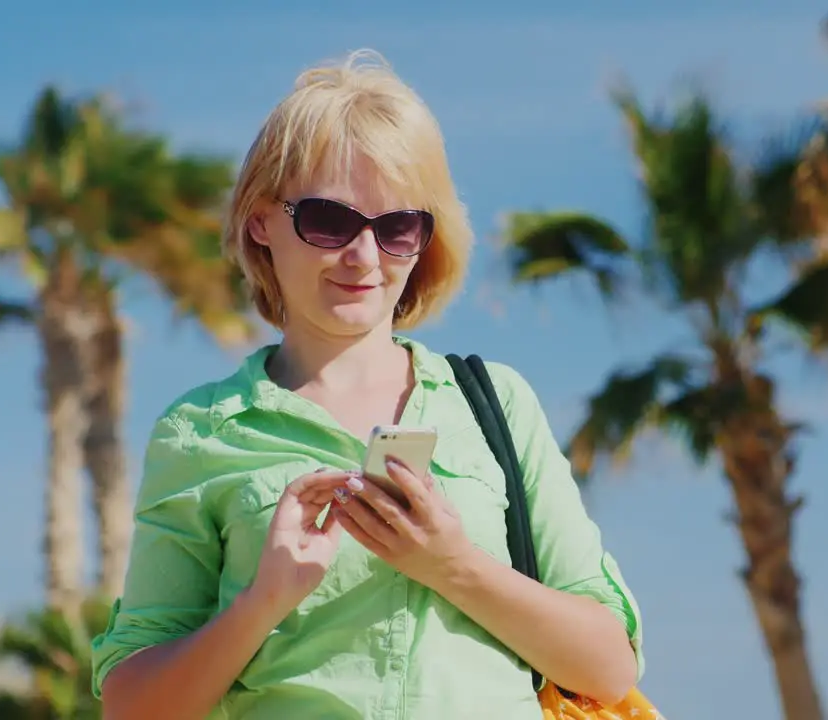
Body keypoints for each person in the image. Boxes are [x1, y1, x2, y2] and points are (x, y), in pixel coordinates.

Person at [90, 49, 643, 720]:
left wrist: (452, 563)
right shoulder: (201, 429)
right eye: (329, 221)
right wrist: (263, 600)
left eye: (396, 228)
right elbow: (133, 707)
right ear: (261, 220)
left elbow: (609, 666)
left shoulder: (495, 403)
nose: (363, 256)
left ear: (425, 238)